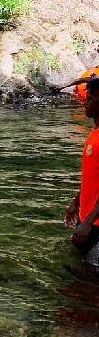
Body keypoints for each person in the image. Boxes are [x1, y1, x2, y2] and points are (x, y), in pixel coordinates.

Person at [64, 76, 99, 268]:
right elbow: (92, 176)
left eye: (91, 99)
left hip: (95, 224)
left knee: (89, 281)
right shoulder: (94, 133)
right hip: (88, 220)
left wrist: (88, 222)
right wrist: (75, 203)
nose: (85, 102)